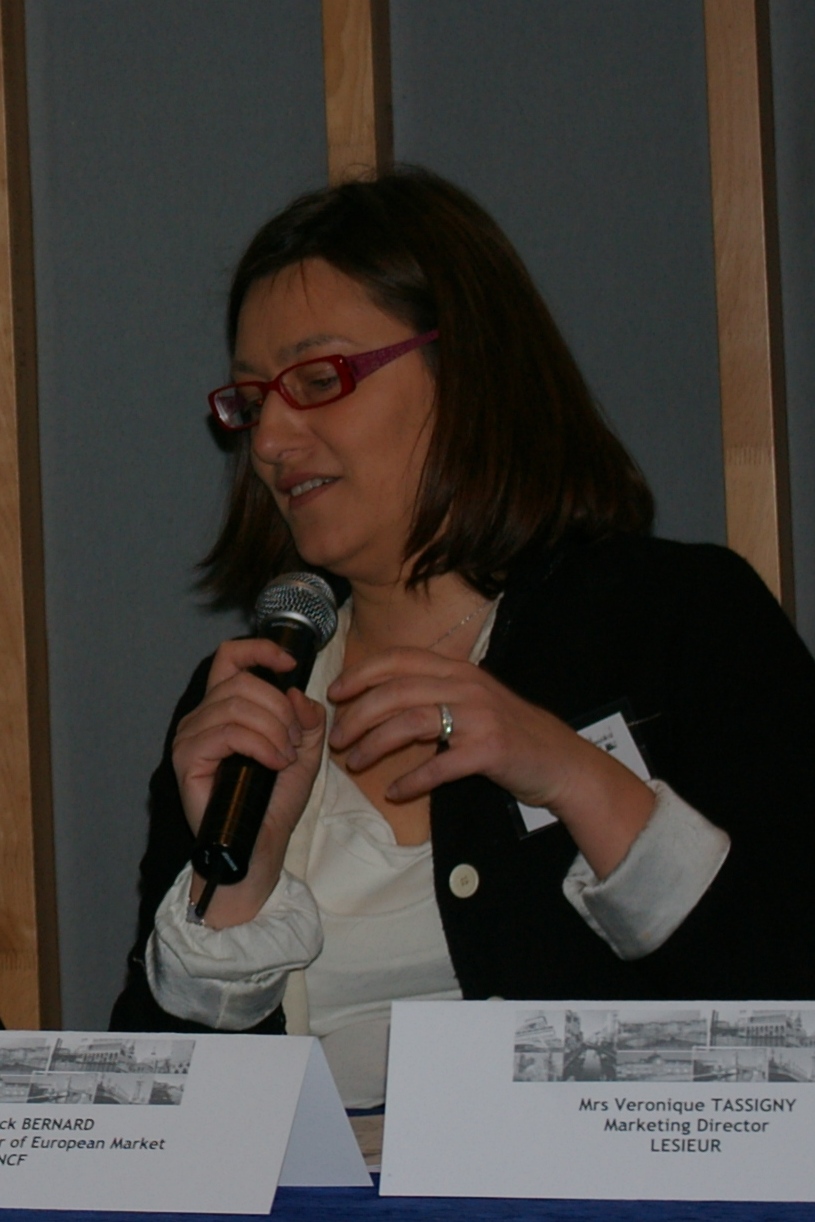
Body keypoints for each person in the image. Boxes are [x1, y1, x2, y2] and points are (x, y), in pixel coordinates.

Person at [111, 167, 815, 1108]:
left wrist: (570, 773)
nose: (271, 439)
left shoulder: (675, 619)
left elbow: (785, 990)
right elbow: (157, 1122)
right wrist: (237, 885)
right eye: (251, 400)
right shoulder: (247, 694)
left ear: (468, 368)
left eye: (319, 380)